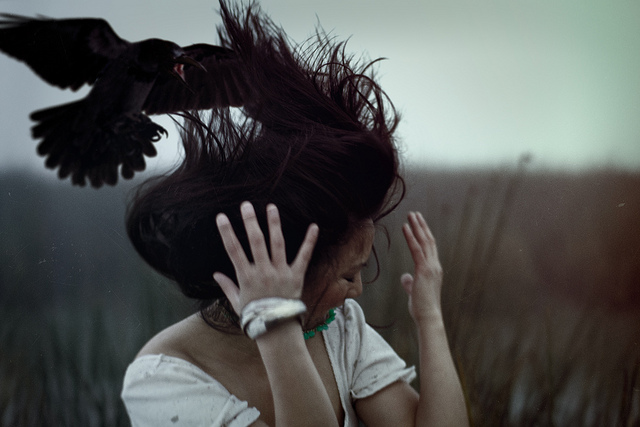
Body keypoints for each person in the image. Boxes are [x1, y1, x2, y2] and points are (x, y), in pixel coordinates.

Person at [121, 2, 468, 426]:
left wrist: (430, 319)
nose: (357, 292)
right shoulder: (163, 378)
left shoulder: (340, 330)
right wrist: (276, 328)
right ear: (286, 264)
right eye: (348, 275)